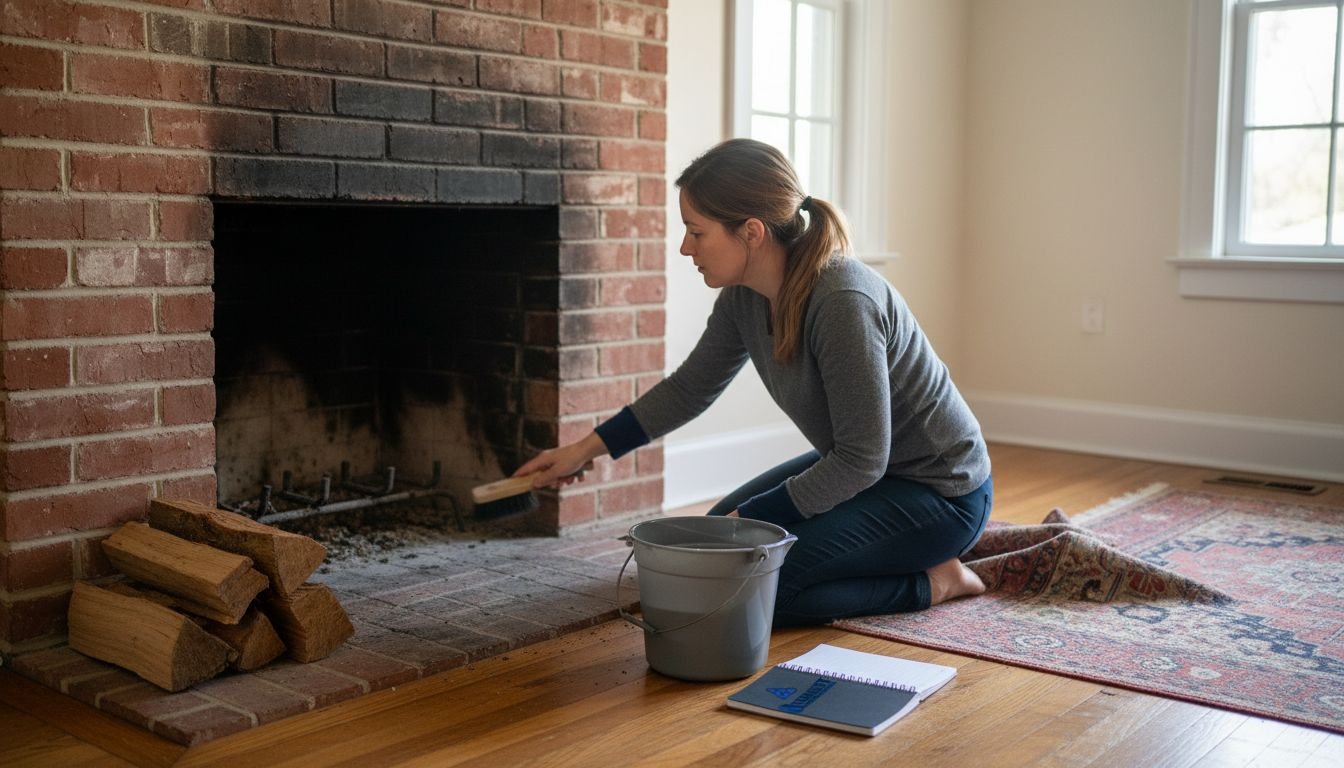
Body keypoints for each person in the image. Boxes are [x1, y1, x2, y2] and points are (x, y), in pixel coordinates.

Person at [514, 138, 991, 626]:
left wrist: (749, 520)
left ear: (752, 232)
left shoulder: (843, 301)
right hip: (869, 474)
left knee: (745, 588)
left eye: (696, 232)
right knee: (710, 549)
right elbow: (689, 389)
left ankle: (937, 580)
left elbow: (863, 458)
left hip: (941, 495)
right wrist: (582, 451)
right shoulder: (743, 298)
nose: (685, 248)